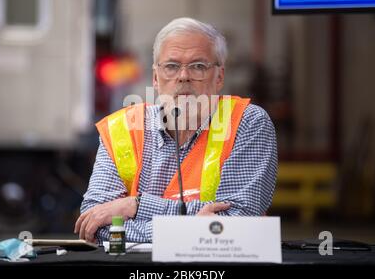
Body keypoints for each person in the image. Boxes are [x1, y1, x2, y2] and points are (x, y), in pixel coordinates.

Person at [75, 17, 277, 243]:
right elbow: (95, 223)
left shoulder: (247, 123)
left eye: (198, 66)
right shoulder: (122, 129)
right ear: (155, 78)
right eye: (171, 66)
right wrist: (191, 229)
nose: (183, 76)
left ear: (219, 77)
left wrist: (136, 206)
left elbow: (234, 222)